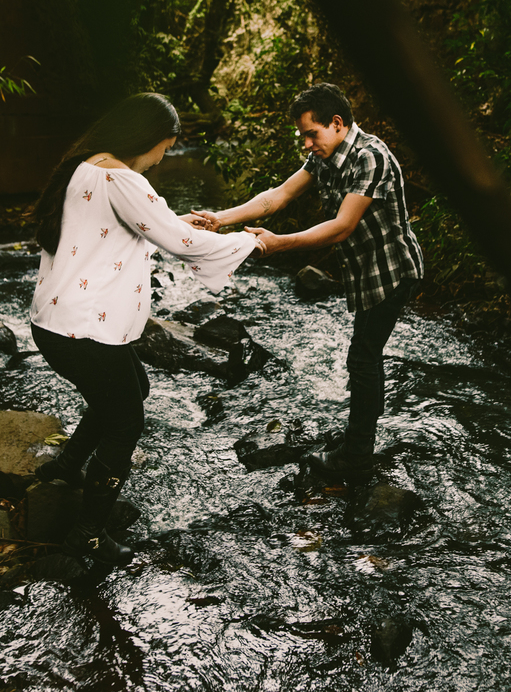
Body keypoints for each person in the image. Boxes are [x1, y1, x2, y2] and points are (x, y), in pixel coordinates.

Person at [29, 93, 263, 565]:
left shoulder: (87, 166)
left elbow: (120, 232)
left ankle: (67, 466)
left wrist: (172, 220)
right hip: (84, 330)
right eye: (165, 149)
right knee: (126, 422)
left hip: (55, 324)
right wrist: (247, 242)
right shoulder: (124, 178)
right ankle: (87, 535)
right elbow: (183, 244)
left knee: (133, 386)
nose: (161, 159)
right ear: (148, 138)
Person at [192, 83, 423, 478]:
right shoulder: (324, 155)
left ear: (337, 123)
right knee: (364, 358)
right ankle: (359, 440)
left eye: (311, 134)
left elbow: (342, 227)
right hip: (365, 272)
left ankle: (357, 457)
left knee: (363, 359)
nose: (306, 144)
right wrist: (221, 218)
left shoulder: (370, 157)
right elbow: (279, 195)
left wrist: (278, 243)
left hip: (392, 271)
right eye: (303, 136)